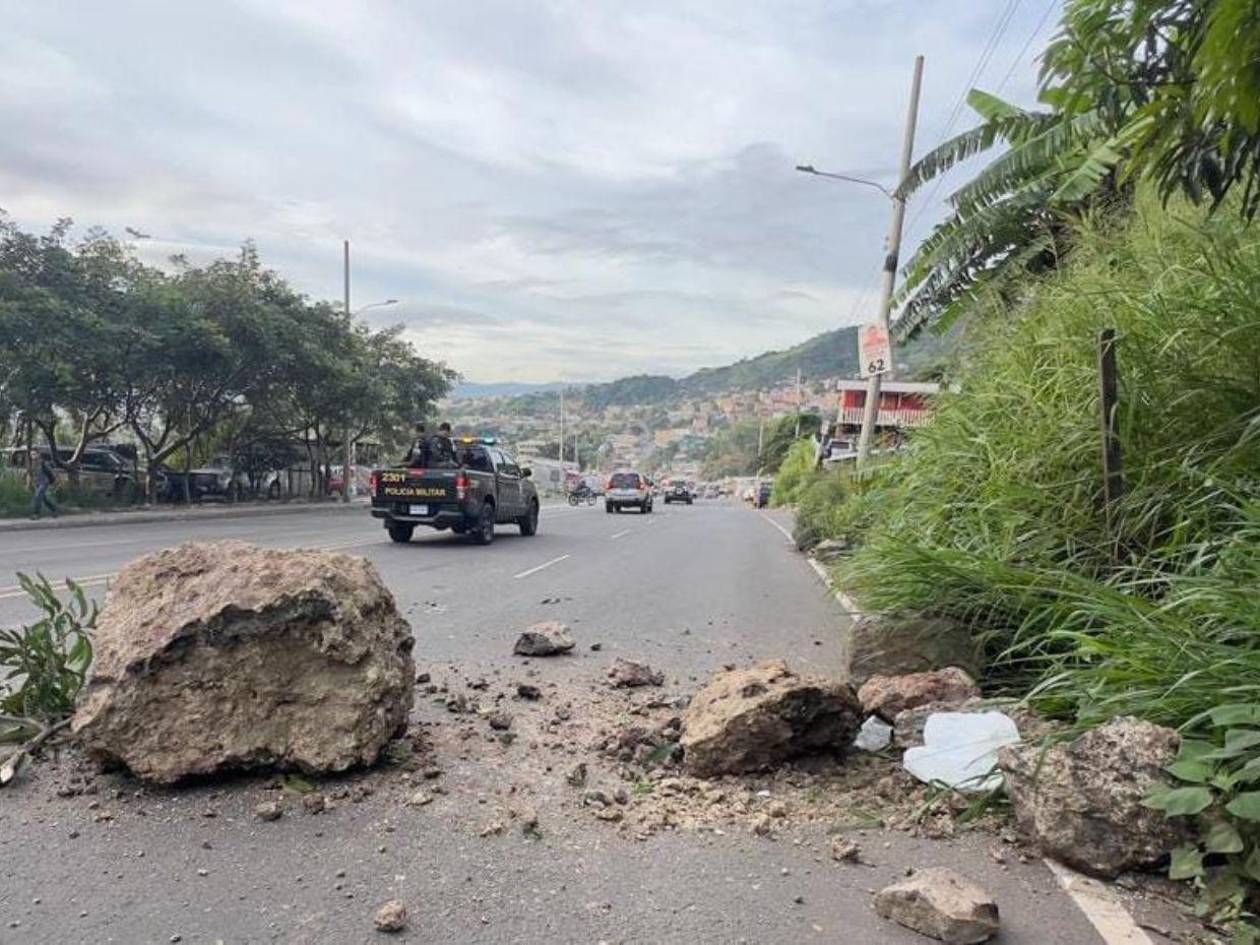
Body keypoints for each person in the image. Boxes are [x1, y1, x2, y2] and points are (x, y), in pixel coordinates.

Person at [29, 448, 58, 519]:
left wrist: (53, 482)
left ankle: (36, 514)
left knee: (37, 496)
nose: (33, 456)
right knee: (44, 499)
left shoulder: (43, 463)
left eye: (34, 454)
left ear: (38, 454)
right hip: (37, 483)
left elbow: (50, 473)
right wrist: (29, 483)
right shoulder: (32, 464)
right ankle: (54, 510)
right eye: (31, 454)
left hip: (44, 482)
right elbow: (31, 474)